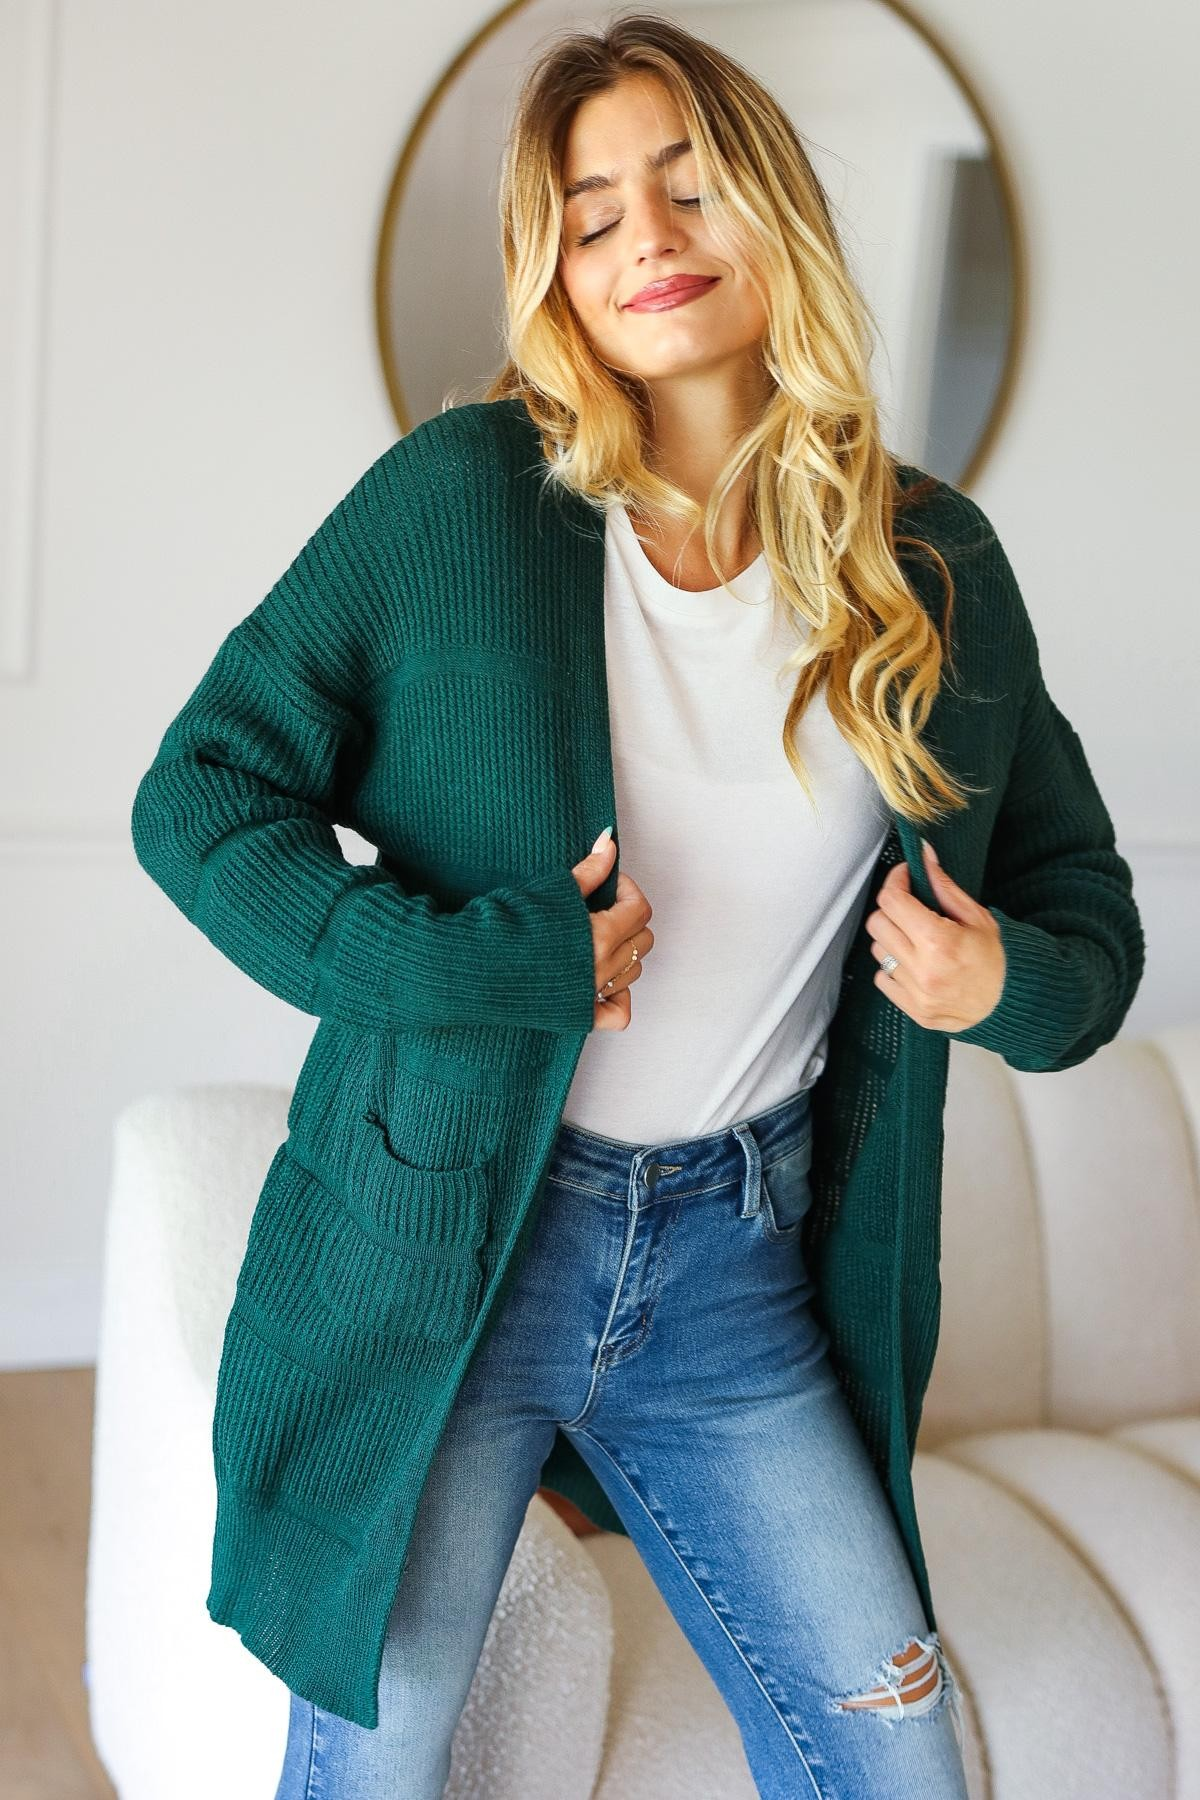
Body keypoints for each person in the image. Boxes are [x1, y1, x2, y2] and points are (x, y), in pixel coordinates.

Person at [130, 14, 1144, 1800]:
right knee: (374, 1768)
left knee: (897, 1757)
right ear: (556, 271)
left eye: (688, 186)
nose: (648, 241)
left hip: (734, 1272)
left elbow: (1087, 916)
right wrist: (473, 966)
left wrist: (1005, 984)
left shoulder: (934, 567)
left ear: (778, 208)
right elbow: (198, 797)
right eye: (592, 216)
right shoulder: (459, 503)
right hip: (455, 1246)